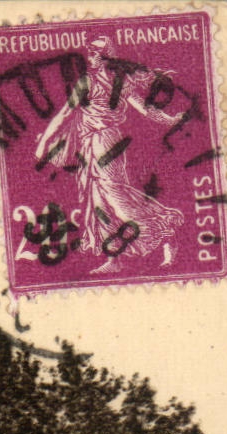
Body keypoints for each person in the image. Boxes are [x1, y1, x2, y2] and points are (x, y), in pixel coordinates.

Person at [33, 37, 185, 274]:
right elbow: (146, 109)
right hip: (95, 143)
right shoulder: (117, 82)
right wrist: (169, 120)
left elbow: (64, 115)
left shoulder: (95, 82)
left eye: (93, 54)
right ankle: (115, 259)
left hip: (104, 142)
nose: (89, 58)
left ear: (103, 57)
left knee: (114, 196)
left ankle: (164, 231)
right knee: (99, 199)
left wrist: (43, 144)